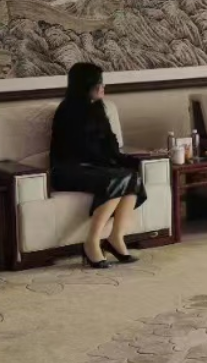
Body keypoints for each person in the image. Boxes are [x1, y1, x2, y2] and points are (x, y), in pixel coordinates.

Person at [50, 63, 146, 268]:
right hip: (69, 170)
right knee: (117, 179)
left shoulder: (99, 108)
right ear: (85, 85)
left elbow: (110, 145)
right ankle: (91, 242)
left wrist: (130, 161)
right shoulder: (67, 111)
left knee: (132, 176)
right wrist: (110, 164)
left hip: (94, 168)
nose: (103, 87)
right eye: (98, 83)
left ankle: (115, 238)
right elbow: (78, 151)